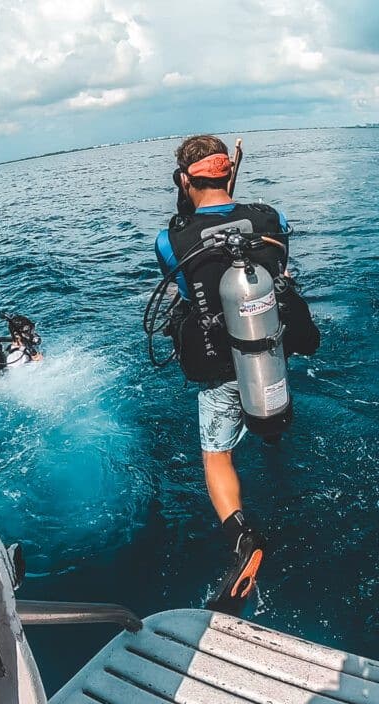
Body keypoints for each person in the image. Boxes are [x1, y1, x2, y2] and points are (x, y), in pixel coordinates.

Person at [153, 135, 295, 609]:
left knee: (217, 456)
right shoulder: (271, 218)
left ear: (184, 179)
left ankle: (241, 536)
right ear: (228, 172)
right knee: (269, 417)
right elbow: (277, 255)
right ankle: (272, 435)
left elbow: (185, 286)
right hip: (270, 350)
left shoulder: (170, 240)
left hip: (219, 368)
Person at [0, 313, 42, 378]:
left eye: (31, 330)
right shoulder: (18, 356)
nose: (31, 333)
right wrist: (37, 360)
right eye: (27, 331)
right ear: (16, 334)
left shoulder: (10, 344)